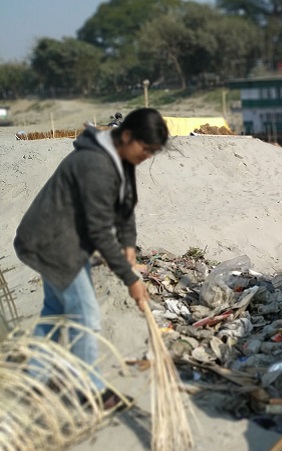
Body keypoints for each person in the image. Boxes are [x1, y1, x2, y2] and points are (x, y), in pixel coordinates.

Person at [14, 108, 168, 409]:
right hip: (50, 242)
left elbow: (126, 206)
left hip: (65, 239)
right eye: (146, 149)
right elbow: (99, 231)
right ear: (127, 136)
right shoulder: (94, 163)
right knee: (86, 316)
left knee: (56, 310)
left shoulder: (120, 156)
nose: (147, 156)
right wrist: (130, 278)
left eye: (153, 152)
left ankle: (34, 378)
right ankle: (88, 391)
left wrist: (130, 246)